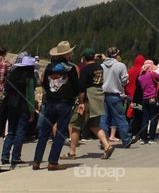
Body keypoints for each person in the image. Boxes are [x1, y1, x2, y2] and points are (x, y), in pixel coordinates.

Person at [32, 40, 81, 171]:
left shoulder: (48, 67)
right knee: (60, 132)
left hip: (50, 102)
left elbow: (44, 84)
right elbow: (77, 87)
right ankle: (53, 162)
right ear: (66, 54)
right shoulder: (71, 68)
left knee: (44, 132)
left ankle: (37, 161)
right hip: (65, 103)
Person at [68, 49, 113, 159]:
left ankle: (72, 152)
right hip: (98, 96)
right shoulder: (99, 67)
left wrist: (81, 102)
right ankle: (107, 146)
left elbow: (82, 88)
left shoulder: (85, 69)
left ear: (84, 58)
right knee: (94, 125)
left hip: (88, 97)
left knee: (75, 124)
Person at [2, 53, 37, 168]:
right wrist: (32, 111)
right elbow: (30, 95)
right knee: (20, 132)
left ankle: (5, 155)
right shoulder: (29, 78)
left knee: (11, 131)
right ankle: (16, 157)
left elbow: (6, 90)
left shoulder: (12, 75)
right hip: (23, 107)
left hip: (11, 106)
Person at [137, 60, 159, 144]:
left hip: (144, 99)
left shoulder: (140, 77)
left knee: (145, 119)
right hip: (153, 98)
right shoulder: (152, 74)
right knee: (153, 118)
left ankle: (143, 138)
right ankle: (152, 138)